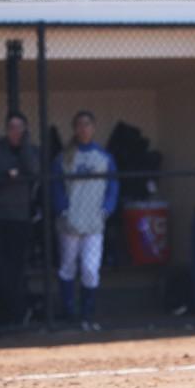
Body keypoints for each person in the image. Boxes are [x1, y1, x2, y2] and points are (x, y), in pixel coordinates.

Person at [51, 111, 119, 331]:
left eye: (87, 124)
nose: (83, 129)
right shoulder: (64, 157)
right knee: (68, 266)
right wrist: (63, 210)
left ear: (94, 127)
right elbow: (56, 187)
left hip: (94, 221)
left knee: (90, 268)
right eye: (79, 125)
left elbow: (113, 186)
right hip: (70, 221)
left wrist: (106, 209)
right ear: (74, 128)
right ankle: (69, 312)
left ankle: (88, 313)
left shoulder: (104, 157)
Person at [0, 111, 38, 326]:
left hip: (19, 218)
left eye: (20, 128)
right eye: (12, 127)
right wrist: (7, 175)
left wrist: (24, 146)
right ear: (6, 129)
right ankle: (9, 310)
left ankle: (14, 315)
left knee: (16, 268)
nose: (16, 132)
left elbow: (33, 170)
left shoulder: (30, 151)